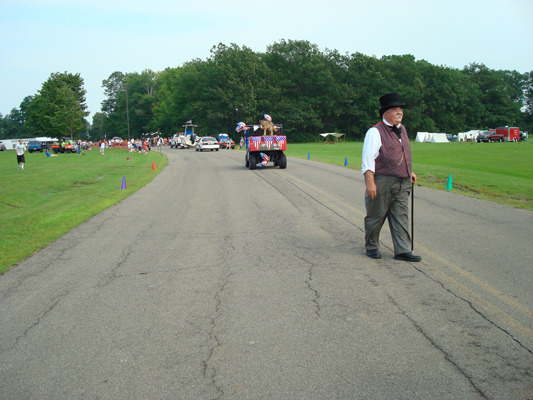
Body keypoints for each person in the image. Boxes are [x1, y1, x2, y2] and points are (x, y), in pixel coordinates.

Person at [361, 92, 421, 262]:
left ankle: (402, 250)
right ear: (385, 113)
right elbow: (368, 160)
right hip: (383, 180)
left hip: (403, 181)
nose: (399, 112)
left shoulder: (402, 129)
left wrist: (410, 172)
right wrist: (370, 183)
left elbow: (402, 153)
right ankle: (372, 246)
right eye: (395, 110)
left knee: (401, 215)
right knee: (376, 215)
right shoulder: (375, 132)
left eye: (400, 109)